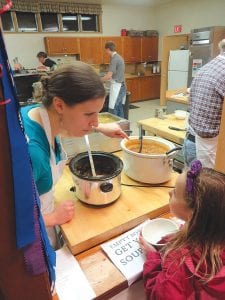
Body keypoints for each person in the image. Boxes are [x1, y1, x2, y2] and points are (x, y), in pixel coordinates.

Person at [20, 62, 128, 249]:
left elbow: (65, 125)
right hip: (32, 239)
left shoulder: (37, 112)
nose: (95, 120)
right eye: (89, 114)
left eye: (98, 113)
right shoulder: (32, 153)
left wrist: (99, 127)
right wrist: (52, 218)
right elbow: (11, 221)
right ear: (60, 105)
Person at [140, 160, 225, 299]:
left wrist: (153, 258)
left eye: (174, 192)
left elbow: (159, 295)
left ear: (193, 215)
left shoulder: (177, 262)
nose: (169, 193)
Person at [186, 39, 225, 168]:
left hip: (192, 140)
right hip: (208, 149)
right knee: (206, 187)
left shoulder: (208, 67)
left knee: (191, 185)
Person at [101, 41, 126, 118]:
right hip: (121, 86)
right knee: (119, 107)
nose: (106, 52)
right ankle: (122, 126)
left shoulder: (114, 59)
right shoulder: (119, 57)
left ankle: (115, 127)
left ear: (108, 49)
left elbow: (109, 76)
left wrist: (98, 80)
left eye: (106, 50)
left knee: (114, 108)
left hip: (117, 87)